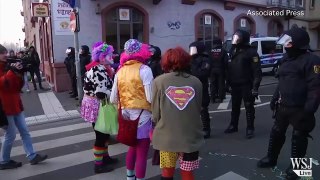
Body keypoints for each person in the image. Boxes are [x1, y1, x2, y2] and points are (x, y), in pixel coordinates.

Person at [257, 28, 320, 180]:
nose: (286, 45)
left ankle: (299, 170)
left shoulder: (312, 60)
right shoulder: (285, 58)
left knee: (300, 137)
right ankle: (271, 158)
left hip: (300, 108)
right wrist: (274, 98)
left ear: (298, 44)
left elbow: (315, 87)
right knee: (277, 132)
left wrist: (309, 108)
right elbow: (282, 82)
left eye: (289, 42)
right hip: (283, 106)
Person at [151, 47, 204, 180]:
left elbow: (155, 113)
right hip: (190, 137)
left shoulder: (159, 81)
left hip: (167, 135)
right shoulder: (196, 82)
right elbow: (198, 108)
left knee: (167, 172)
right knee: (187, 173)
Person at [110, 39, 154, 180]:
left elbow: (113, 99)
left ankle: (130, 178)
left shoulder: (120, 71)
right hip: (143, 116)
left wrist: (125, 106)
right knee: (142, 151)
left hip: (126, 116)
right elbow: (150, 98)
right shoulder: (145, 70)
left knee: (132, 147)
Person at [0, 44, 47, 170]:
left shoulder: (7, 66)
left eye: (4, 52)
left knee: (25, 131)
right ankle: (3, 161)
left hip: (16, 104)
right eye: (2, 53)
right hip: (5, 106)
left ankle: (32, 156)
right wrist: (12, 72)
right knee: (10, 134)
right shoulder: (5, 68)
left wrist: (19, 73)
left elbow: (16, 87)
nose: (5, 55)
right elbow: (3, 84)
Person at [80, 42, 117, 174]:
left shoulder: (103, 68)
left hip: (100, 104)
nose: (112, 57)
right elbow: (100, 93)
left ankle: (105, 158)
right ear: (102, 57)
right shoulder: (98, 70)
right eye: (109, 55)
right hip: (98, 105)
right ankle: (98, 165)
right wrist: (114, 93)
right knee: (101, 135)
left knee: (105, 133)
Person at [224, 29, 262, 139]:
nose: (235, 39)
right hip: (235, 84)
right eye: (235, 37)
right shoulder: (233, 50)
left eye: (238, 37)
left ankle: (250, 128)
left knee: (249, 106)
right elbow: (229, 68)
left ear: (243, 39)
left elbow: (257, 71)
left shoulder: (251, 52)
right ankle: (233, 125)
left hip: (246, 84)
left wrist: (255, 87)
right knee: (235, 107)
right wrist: (227, 83)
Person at [189, 41, 212, 139]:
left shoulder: (205, 59)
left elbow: (204, 73)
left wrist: (191, 74)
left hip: (201, 87)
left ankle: (206, 129)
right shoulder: (189, 60)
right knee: (190, 110)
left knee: (203, 109)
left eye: (194, 49)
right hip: (190, 88)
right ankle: (194, 129)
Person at [210, 38, 228, 103]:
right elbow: (226, 62)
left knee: (213, 84)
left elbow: (208, 61)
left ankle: (212, 98)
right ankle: (220, 98)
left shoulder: (210, 51)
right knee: (221, 84)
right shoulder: (223, 51)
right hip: (221, 69)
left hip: (212, 70)